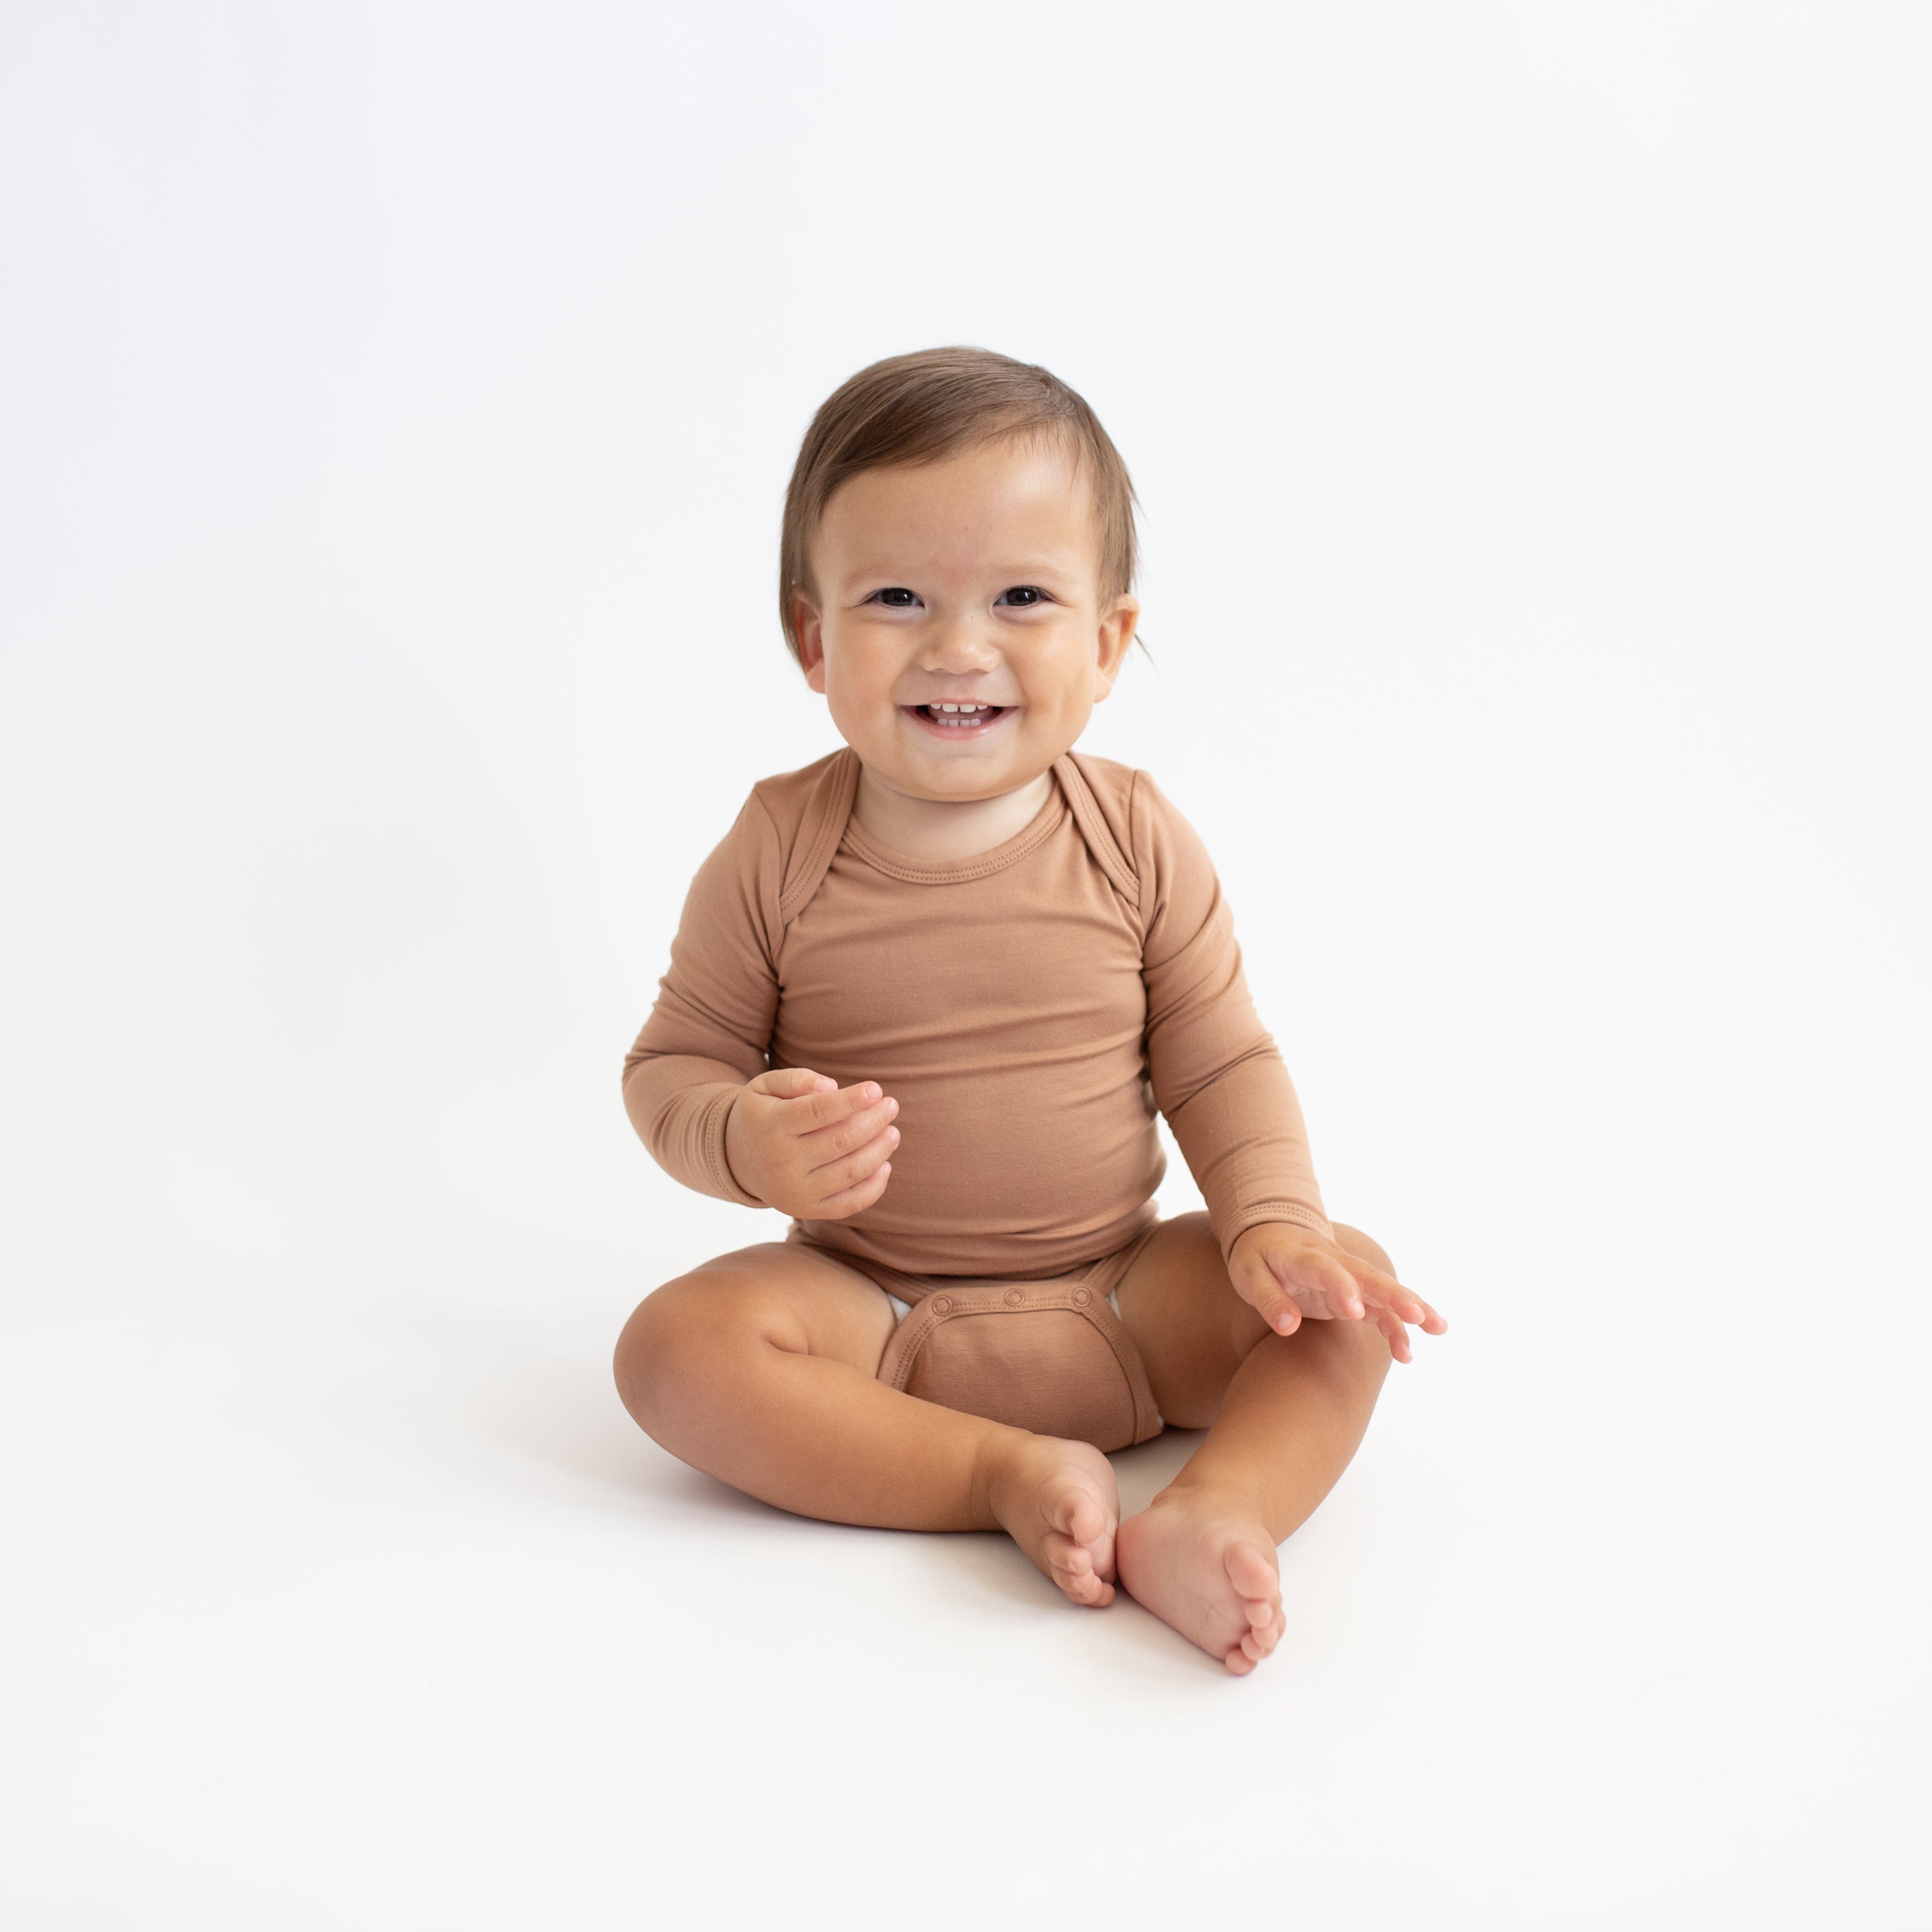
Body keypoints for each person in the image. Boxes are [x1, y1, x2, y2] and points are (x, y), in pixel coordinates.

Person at [615, 347, 1446, 1673]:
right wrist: (735, 1136)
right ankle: (989, 1473)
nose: (960, 646)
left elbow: (1221, 1057)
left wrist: (1272, 1221)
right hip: (867, 1308)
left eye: (1021, 597)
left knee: (1346, 1297)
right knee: (673, 1352)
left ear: (1107, 642)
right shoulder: (777, 848)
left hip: (1124, 1297)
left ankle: (1213, 1511)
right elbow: (672, 1065)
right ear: (812, 637)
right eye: (897, 596)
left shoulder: (1134, 837)